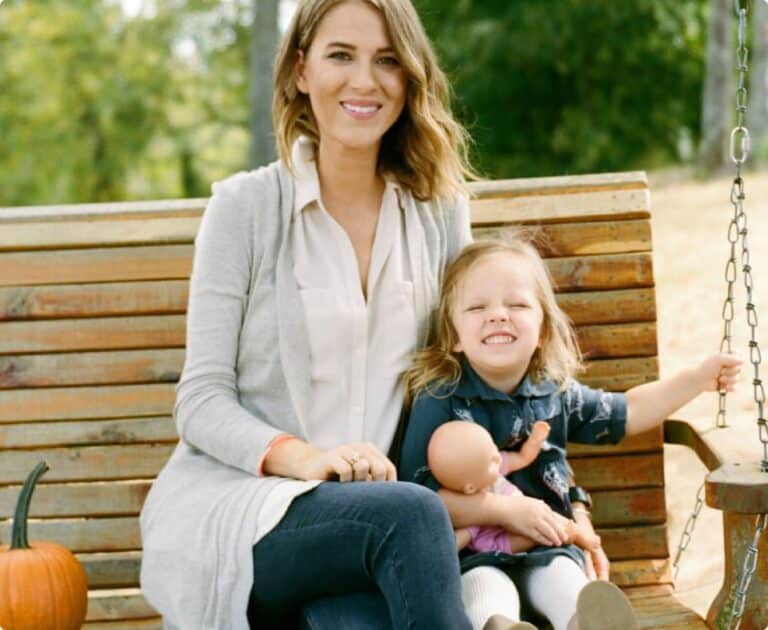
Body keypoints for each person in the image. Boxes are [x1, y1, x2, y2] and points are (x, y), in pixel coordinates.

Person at [139, 1, 543, 628]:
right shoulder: (244, 209)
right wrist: (305, 459)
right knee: (408, 517)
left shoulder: (438, 213)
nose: (365, 81)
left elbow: (468, 366)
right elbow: (201, 400)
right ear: (302, 71)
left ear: (409, 78)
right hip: (251, 512)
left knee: (354, 617)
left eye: (387, 60)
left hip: (377, 530)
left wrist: (518, 491)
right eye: (340, 56)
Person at [399, 237, 743, 630]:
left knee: (565, 581)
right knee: (484, 590)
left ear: (543, 329)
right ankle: (499, 627)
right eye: (477, 307)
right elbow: (420, 498)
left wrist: (696, 379)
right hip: (473, 553)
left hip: (552, 546)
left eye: (517, 305)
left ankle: (586, 623)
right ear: (454, 335)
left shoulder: (554, 392)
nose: (497, 315)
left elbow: (628, 411)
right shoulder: (439, 397)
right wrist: (504, 510)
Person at [426, 420, 600, 554]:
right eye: (491, 462)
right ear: (470, 488)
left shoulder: (492, 462)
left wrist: (535, 440)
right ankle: (565, 535)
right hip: (499, 539)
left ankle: (575, 533)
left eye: (493, 448)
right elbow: (458, 540)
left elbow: (523, 458)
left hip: (527, 513)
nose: (498, 457)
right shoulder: (471, 511)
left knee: (543, 517)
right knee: (531, 536)